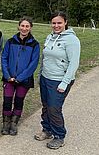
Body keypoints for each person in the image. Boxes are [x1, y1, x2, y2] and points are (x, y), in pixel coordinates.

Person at [34, 11, 80, 149]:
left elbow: (74, 63)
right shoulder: (50, 37)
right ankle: (47, 129)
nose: (56, 25)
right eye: (54, 23)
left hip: (59, 80)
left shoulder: (72, 40)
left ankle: (59, 136)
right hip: (45, 78)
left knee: (54, 108)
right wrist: (40, 75)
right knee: (46, 106)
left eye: (59, 22)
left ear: (65, 22)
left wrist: (65, 82)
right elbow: (45, 58)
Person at [1, 17, 40, 136]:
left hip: (24, 80)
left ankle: (14, 122)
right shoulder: (10, 41)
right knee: (7, 101)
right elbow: (4, 58)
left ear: (30, 28)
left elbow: (33, 64)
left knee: (19, 101)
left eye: (27, 26)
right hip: (9, 78)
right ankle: (6, 122)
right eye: (22, 26)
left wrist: (20, 78)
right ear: (19, 26)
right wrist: (8, 75)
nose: (24, 28)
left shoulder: (34, 44)